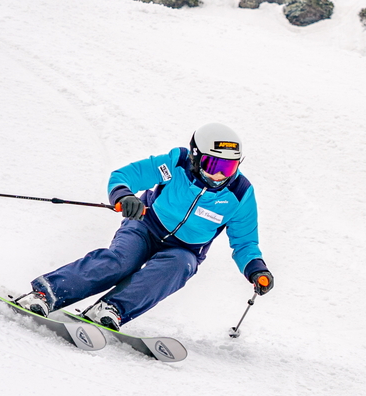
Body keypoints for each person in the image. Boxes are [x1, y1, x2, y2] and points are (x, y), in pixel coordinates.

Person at [15, 122, 273, 329]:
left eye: (229, 167)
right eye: (213, 164)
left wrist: (255, 269)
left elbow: (245, 241)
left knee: (179, 266)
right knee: (122, 261)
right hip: (145, 225)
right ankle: (46, 293)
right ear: (196, 157)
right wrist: (124, 196)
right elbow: (126, 175)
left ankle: (112, 309)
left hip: (185, 250)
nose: (219, 175)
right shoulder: (177, 163)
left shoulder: (240, 193)